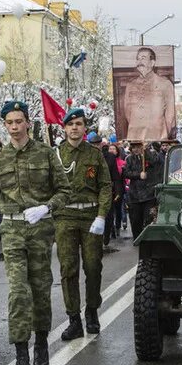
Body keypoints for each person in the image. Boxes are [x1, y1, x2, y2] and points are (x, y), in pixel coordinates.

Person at [0, 100, 71, 365]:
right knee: (18, 292)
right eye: (10, 123)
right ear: (5, 125)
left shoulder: (45, 154)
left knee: (41, 289)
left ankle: (41, 344)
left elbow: (64, 191)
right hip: (12, 230)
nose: (15, 127)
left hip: (40, 230)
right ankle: (21, 355)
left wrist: (46, 207)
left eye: (19, 121)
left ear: (28, 123)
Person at [53, 109, 112, 341]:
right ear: (64, 128)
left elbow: (105, 186)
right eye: (71, 124)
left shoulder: (94, 155)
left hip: (90, 218)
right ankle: (74, 319)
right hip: (65, 217)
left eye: (79, 124)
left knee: (93, 267)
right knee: (68, 269)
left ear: (85, 129)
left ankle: (92, 312)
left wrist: (102, 216)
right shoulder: (55, 155)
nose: (75, 128)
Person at [120, 46, 176, 141]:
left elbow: (170, 114)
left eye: (143, 58)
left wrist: (162, 132)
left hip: (157, 136)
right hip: (134, 137)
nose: (139, 61)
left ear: (152, 62)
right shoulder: (131, 85)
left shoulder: (165, 84)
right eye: (137, 59)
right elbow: (127, 111)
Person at [121, 140, 161, 236]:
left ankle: (147, 240)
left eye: (138, 147)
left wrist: (145, 150)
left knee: (148, 219)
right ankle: (137, 238)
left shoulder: (151, 155)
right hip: (134, 195)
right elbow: (125, 173)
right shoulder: (129, 159)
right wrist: (138, 175)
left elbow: (154, 161)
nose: (136, 149)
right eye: (134, 147)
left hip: (149, 195)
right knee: (135, 220)